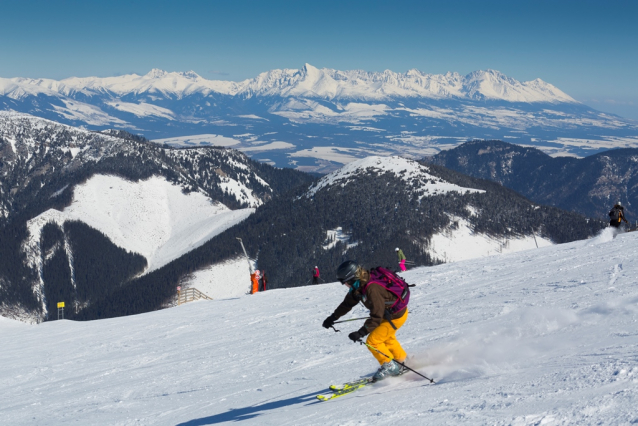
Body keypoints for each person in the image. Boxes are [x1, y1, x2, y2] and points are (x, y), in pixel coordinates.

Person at [322, 260, 409, 382]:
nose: (345, 285)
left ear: (352, 278)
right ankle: (403, 361)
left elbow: (376, 316)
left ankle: (390, 366)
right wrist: (332, 318)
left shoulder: (372, 289)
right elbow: (347, 304)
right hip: (388, 315)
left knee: (373, 341)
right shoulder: (358, 287)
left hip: (395, 316)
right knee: (387, 338)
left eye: (345, 282)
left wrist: (361, 332)